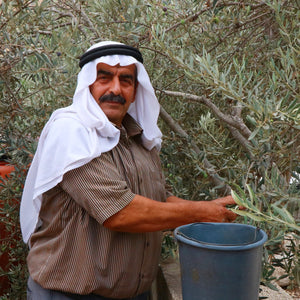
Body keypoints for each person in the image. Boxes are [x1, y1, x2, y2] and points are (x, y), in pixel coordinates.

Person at [20, 41, 237, 300]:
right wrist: (204, 212)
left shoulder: (138, 138)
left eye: (126, 80)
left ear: (136, 90)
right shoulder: (73, 133)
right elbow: (120, 213)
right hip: (69, 295)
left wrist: (213, 209)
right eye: (104, 78)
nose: (115, 89)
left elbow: (160, 200)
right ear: (87, 84)